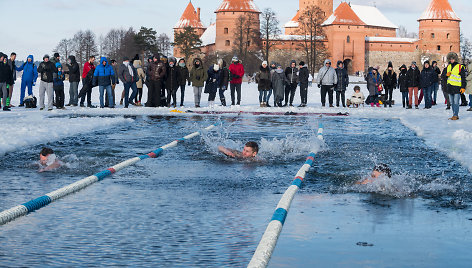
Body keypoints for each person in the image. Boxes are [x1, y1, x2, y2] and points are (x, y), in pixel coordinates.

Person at [443, 52, 467, 120]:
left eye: (453, 59)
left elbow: (463, 78)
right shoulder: (448, 67)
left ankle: (455, 115)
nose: (451, 60)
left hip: (457, 87)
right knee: (452, 102)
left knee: (456, 102)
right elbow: (443, 77)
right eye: (450, 59)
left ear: (455, 59)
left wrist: (463, 87)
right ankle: (454, 114)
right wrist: (446, 75)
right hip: (450, 87)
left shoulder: (460, 66)